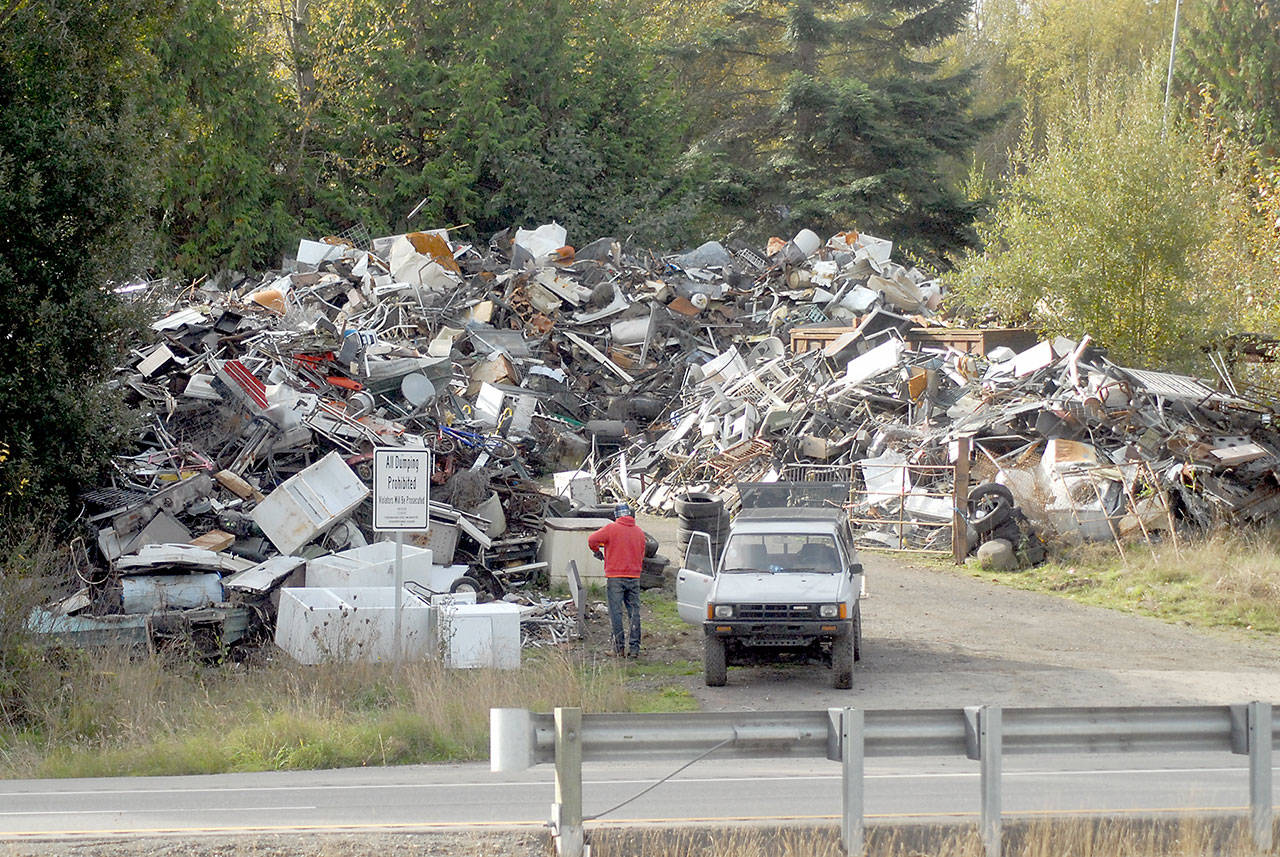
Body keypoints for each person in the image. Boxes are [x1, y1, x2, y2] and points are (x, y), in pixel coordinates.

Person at [588, 502, 647, 658]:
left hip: (615, 577)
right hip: (634, 577)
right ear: (629, 515)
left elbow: (592, 540)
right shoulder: (639, 532)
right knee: (634, 613)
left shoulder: (611, 529)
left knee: (616, 613)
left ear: (616, 516)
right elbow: (642, 553)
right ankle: (634, 649)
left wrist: (598, 552)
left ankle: (618, 649)